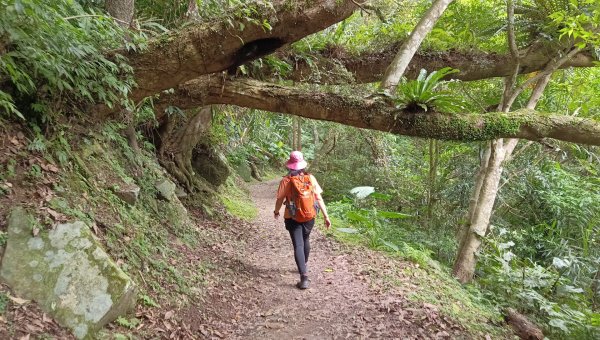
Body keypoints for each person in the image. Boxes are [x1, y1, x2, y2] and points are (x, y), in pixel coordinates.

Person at [274, 151, 331, 290]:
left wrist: (276, 211)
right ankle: (303, 264)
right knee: (305, 239)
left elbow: (280, 199)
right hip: (309, 216)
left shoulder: (286, 181)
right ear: (302, 165)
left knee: (298, 245)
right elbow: (318, 198)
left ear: (290, 165)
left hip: (292, 216)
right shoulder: (310, 178)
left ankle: (304, 277)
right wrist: (326, 216)